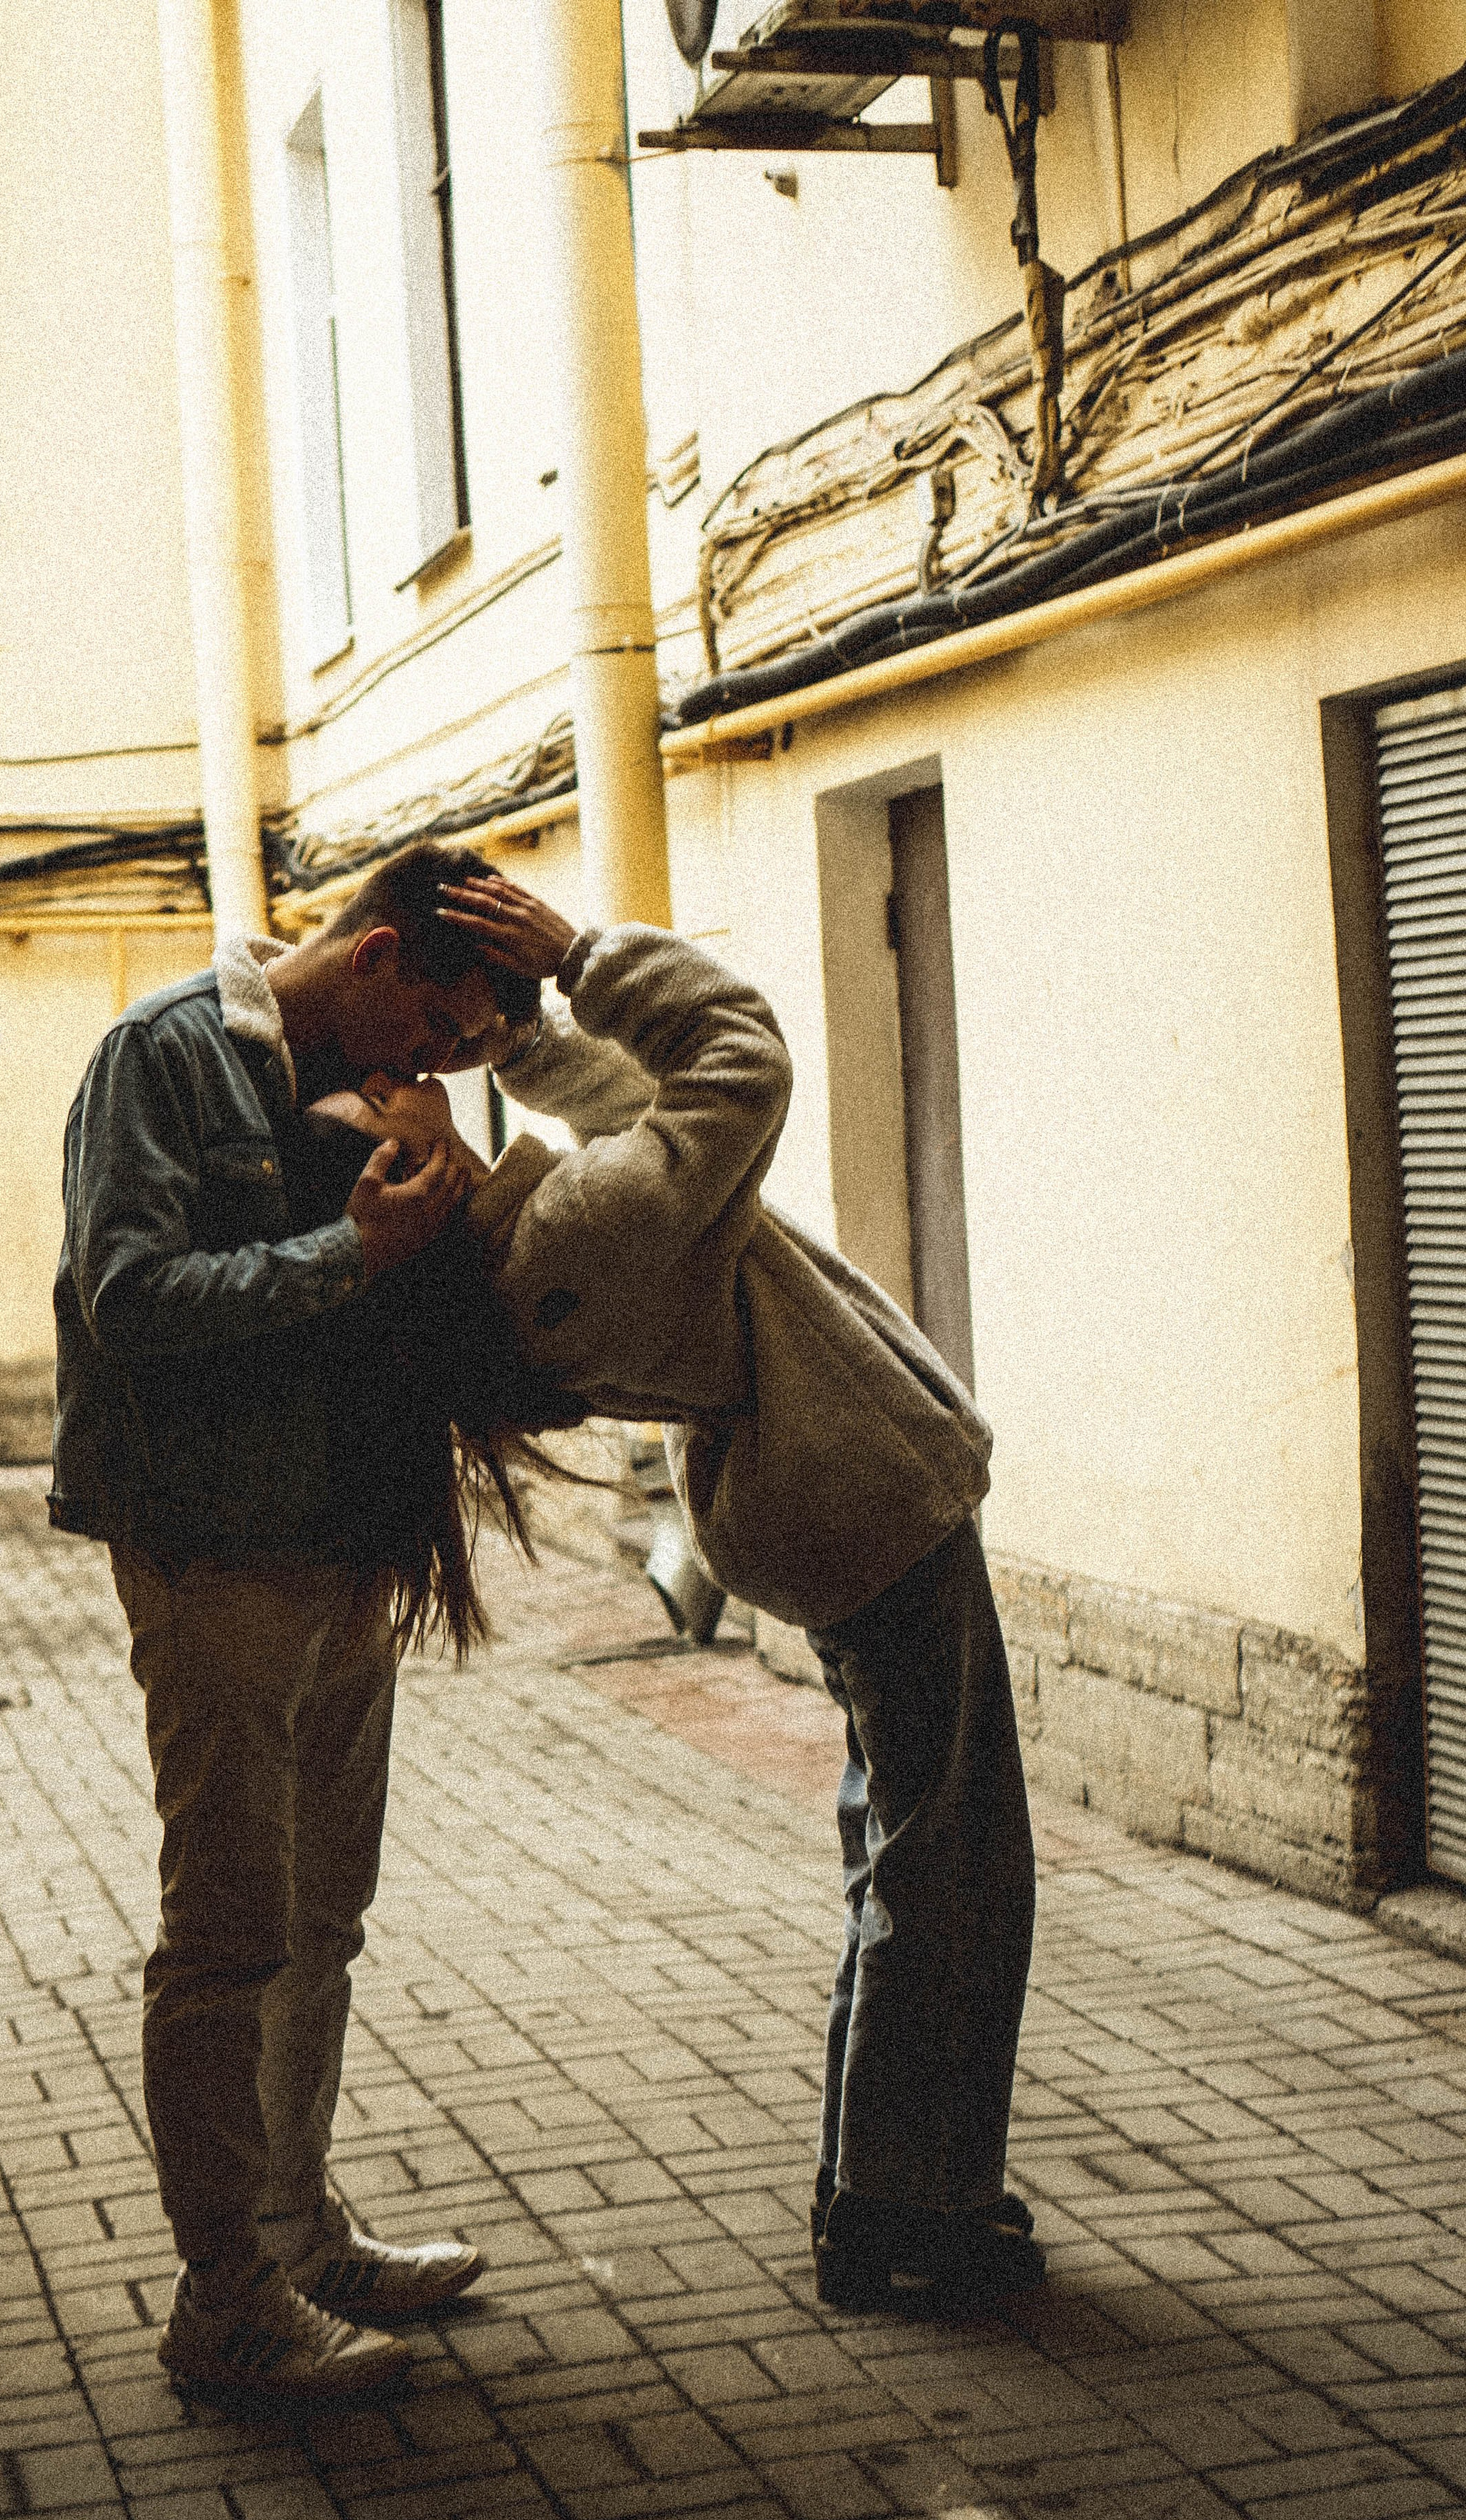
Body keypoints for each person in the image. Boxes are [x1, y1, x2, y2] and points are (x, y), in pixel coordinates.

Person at [315, 874, 1044, 2317]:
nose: (402, 1083)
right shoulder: (566, 1241)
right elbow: (733, 1064)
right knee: (951, 1864)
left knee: (907, 1847)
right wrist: (583, 956)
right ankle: (909, 2208)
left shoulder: (530, 1245)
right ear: (395, 1185)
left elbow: (620, 1114)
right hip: (861, 1505)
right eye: (380, 1107)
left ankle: (885, 2185)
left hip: (821, 1505)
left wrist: (517, 1041)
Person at [49, 845, 518, 2404]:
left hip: (342, 1544)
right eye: (437, 1033)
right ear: (378, 956)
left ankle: (299, 2231)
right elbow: (129, 1298)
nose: (430, 1070)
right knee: (230, 1932)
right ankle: (225, 2303)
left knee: (326, 1913)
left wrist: (434, 1202)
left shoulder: (352, 1089)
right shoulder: (163, 1055)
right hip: (215, 1554)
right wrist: (350, 1251)